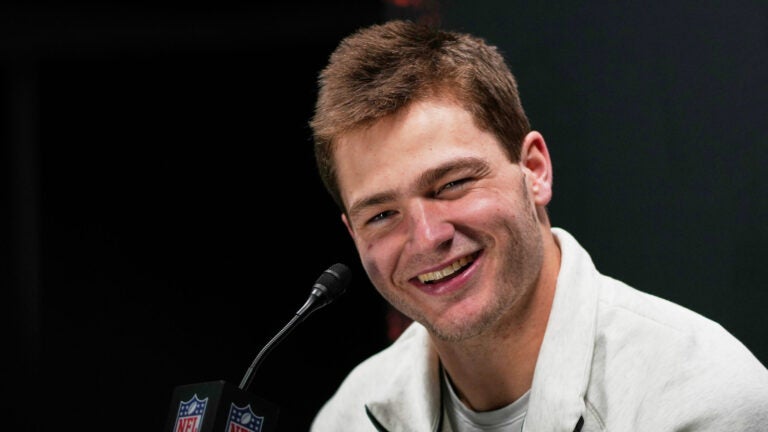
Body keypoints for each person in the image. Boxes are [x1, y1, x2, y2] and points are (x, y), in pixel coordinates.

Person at [307, 19, 768, 432]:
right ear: (353, 234)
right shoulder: (347, 418)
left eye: (452, 184)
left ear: (535, 170)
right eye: (381, 215)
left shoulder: (705, 401)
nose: (427, 238)